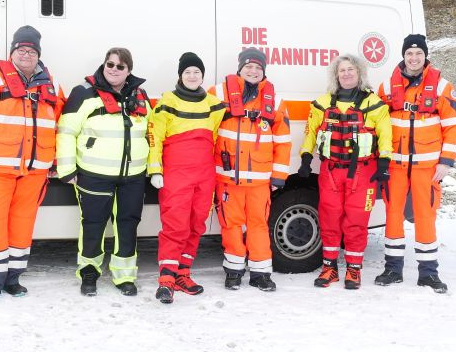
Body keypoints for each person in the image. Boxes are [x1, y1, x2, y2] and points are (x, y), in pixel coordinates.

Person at [0, 25, 65, 304]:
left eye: (31, 51)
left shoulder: (52, 85)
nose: (26, 54)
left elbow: (61, 125)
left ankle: (13, 279)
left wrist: (56, 160)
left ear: (38, 55)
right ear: (12, 52)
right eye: (21, 49)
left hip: (36, 171)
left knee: (23, 224)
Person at [56, 47, 151, 297]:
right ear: (104, 64)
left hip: (133, 176)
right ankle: (89, 272)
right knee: (93, 225)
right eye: (110, 64)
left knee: (128, 226)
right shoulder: (83, 93)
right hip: (93, 174)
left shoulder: (140, 95)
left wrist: (152, 167)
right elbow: (66, 131)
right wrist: (67, 169)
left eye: (120, 66)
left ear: (129, 70)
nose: (114, 70)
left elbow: (149, 132)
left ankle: (125, 275)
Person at [375, 34, 456, 293]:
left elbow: (453, 126)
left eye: (418, 54)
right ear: (403, 56)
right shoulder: (387, 87)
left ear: (425, 56)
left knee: (425, 216)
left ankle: (428, 273)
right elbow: (377, 124)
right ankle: (393, 269)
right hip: (395, 165)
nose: (414, 58)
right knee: (393, 214)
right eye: (409, 54)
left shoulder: (442, 87)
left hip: (428, 167)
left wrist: (446, 162)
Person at [298, 53, 392, 290]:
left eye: (351, 69)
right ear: (336, 75)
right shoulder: (321, 104)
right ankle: (329, 268)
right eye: (342, 70)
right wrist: (306, 158)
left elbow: (385, 136)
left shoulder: (375, 105)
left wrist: (384, 164)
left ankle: (353, 269)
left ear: (359, 73)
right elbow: (310, 132)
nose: (347, 74)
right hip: (330, 171)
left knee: (356, 221)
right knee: (329, 219)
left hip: (363, 172)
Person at [210, 47, 292, 292]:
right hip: (228, 178)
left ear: (263, 71)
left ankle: (261, 274)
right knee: (231, 226)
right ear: (240, 68)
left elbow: (283, 141)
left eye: (258, 67)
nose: (253, 71)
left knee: (259, 225)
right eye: (248, 66)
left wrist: (279, 176)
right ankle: (233, 271)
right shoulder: (217, 93)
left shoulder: (275, 102)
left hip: (260, 181)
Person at [146, 52, 225, 304]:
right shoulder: (167, 101)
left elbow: (218, 138)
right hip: (176, 174)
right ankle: (166, 280)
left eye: (196, 72)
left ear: (203, 76)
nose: (192, 76)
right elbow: (154, 137)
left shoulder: (214, 105)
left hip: (204, 174)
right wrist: (155, 170)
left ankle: (183, 274)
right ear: (180, 76)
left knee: (196, 225)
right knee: (175, 226)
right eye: (187, 72)